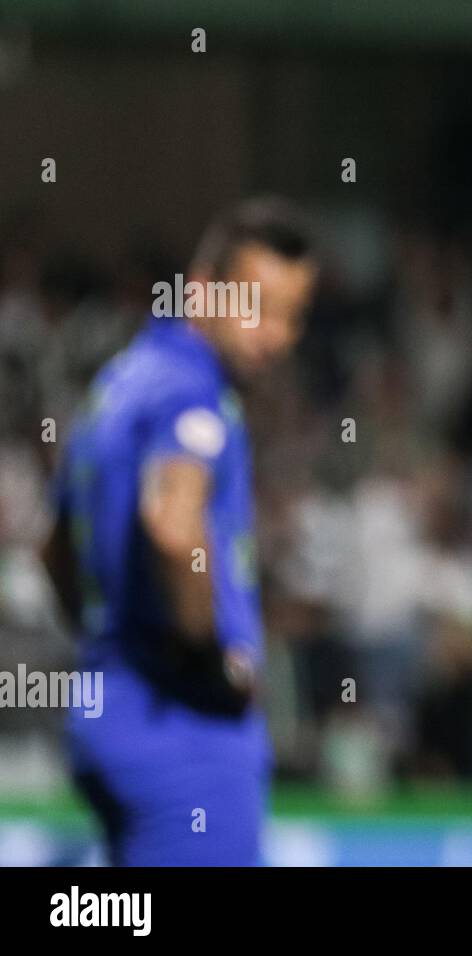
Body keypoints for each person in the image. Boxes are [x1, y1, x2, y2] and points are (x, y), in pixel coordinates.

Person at [41, 198, 319, 865]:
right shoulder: (192, 392)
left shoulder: (121, 383)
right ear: (201, 289)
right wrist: (203, 660)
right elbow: (171, 523)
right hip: (184, 734)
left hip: (107, 711)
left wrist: (115, 643)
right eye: (256, 304)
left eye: (292, 314)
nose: (273, 332)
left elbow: (53, 549)